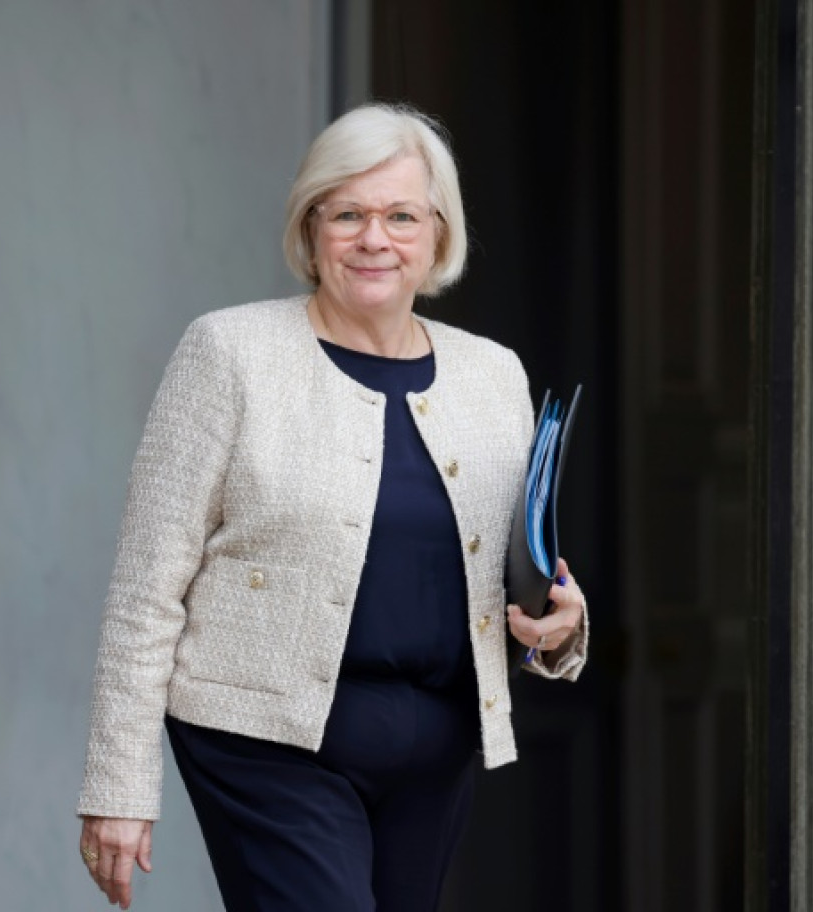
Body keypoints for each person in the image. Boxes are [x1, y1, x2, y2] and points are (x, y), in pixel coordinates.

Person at [76, 103, 589, 912]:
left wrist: (559, 628)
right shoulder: (229, 353)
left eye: (400, 216)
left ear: (438, 234)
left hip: (437, 745)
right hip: (265, 743)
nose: (373, 238)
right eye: (347, 213)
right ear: (312, 229)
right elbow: (146, 584)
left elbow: (509, 563)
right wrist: (119, 783)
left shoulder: (494, 376)